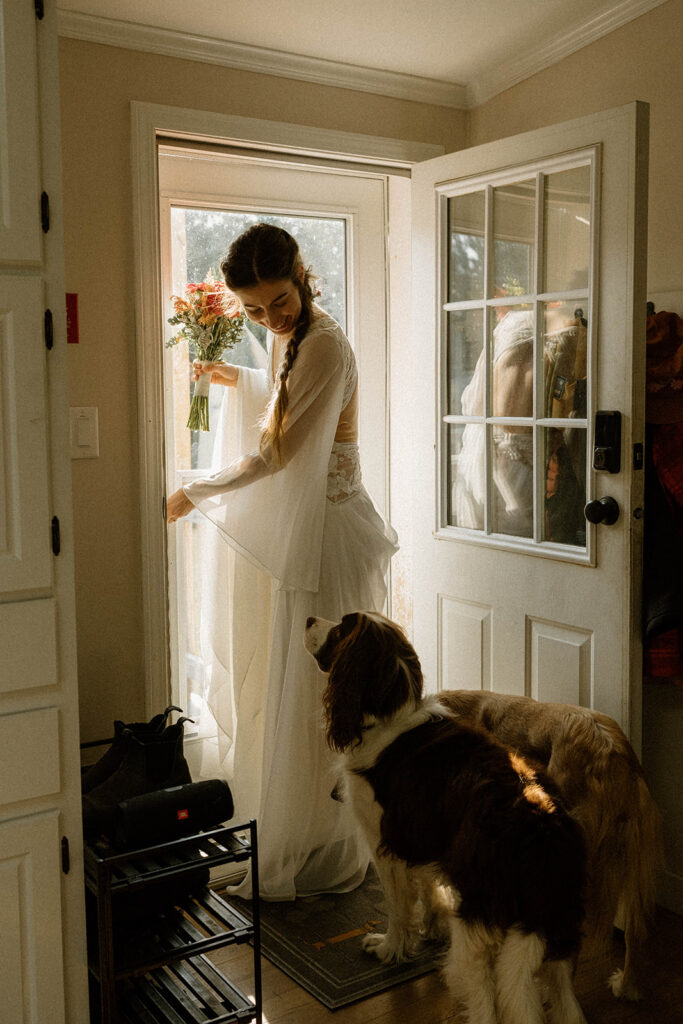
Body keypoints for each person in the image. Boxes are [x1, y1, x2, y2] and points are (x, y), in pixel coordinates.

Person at [166, 223, 398, 899]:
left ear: (300, 274)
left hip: (329, 538)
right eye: (254, 311)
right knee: (300, 694)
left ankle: (315, 848)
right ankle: (295, 837)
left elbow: (277, 453)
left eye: (277, 302)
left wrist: (192, 492)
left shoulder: (323, 342)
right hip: (315, 529)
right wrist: (231, 375)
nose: (269, 319)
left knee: (319, 696)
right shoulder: (295, 339)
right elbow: (282, 400)